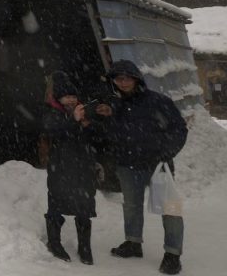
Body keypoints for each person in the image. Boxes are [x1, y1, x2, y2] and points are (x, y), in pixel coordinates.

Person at [95, 59, 188, 275]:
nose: (123, 82)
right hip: (127, 165)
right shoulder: (114, 106)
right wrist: (104, 119)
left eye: (127, 78)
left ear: (136, 78)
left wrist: (168, 151)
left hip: (159, 165)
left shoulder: (157, 101)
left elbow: (179, 129)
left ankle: (173, 254)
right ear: (113, 81)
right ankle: (133, 243)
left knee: (170, 209)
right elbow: (110, 134)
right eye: (119, 78)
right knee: (131, 205)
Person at [42, 71, 100, 264]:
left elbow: (99, 138)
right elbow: (53, 131)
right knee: (56, 203)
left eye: (74, 96)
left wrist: (90, 124)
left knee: (84, 205)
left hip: (84, 167)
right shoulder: (52, 113)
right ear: (59, 98)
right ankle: (54, 242)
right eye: (67, 96)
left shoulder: (83, 111)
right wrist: (73, 121)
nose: (72, 100)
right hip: (60, 167)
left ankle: (85, 247)